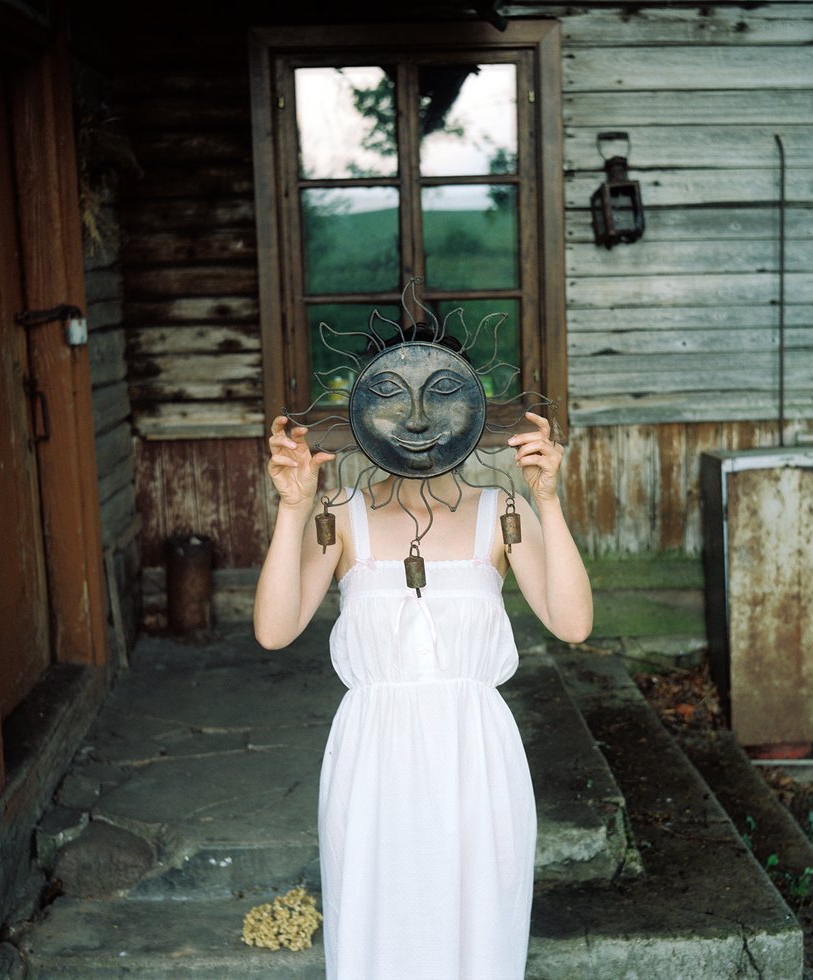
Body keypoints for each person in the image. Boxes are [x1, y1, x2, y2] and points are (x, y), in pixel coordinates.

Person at [254, 342, 592, 978]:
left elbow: (573, 624)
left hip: (476, 759)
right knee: (379, 937)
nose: (415, 419)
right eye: (391, 395)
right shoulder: (340, 512)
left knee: (477, 938)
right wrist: (294, 507)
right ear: (364, 408)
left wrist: (547, 498)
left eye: (439, 394)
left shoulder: (502, 510)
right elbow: (275, 630)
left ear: (469, 405)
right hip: (372, 764)